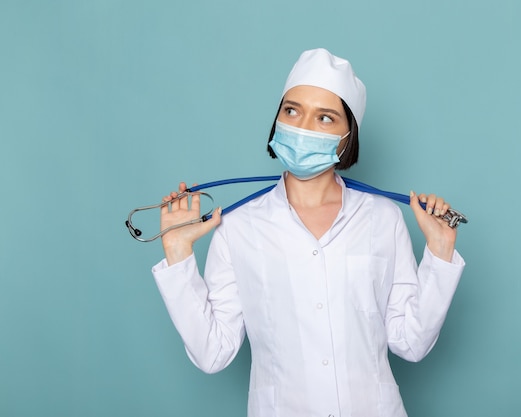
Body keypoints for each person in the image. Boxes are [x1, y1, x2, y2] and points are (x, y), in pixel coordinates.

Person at [152, 48, 465, 417]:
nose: (302, 127)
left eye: (325, 118)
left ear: (348, 137)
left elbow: (410, 343)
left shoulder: (383, 219)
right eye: (292, 110)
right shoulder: (238, 228)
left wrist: (441, 250)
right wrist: (177, 253)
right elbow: (212, 353)